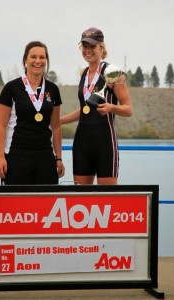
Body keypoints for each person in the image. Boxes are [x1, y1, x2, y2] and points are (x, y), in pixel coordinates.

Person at [61, 27, 133, 185]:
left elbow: (128, 109)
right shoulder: (83, 73)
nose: (88, 51)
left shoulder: (113, 73)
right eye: (84, 47)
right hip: (82, 143)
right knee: (80, 199)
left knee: (108, 199)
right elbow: (86, 110)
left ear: (102, 47)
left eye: (92, 46)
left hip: (105, 143)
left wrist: (111, 108)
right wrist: (59, 121)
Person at [0, 41, 65, 184]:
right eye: (33, 57)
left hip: (45, 156)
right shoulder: (11, 88)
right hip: (17, 156)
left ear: (46, 60)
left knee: (46, 205)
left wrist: (58, 158)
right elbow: (1, 126)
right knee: (17, 206)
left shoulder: (53, 89)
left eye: (42, 57)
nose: (38, 61)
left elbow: (56, 126)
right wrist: (1, 157)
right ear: (25, 60)